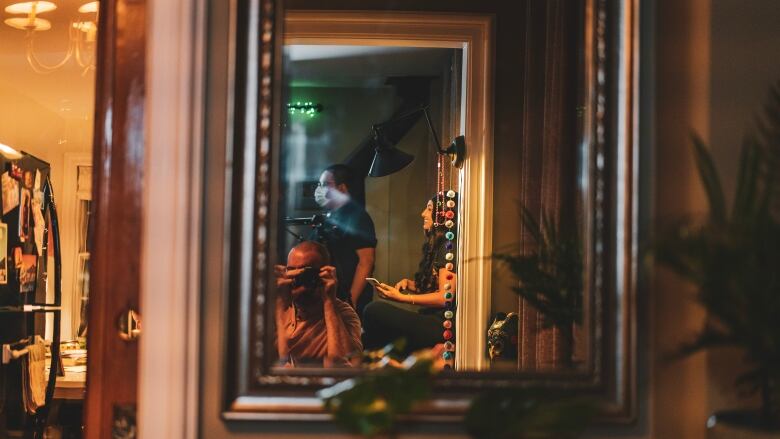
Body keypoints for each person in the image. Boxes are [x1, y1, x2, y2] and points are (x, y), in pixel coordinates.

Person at [362, 193, 457, 353]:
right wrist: (412, 286)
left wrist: (403, 298)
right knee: (370, 331)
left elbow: (445, 298)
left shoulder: (448, 247)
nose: (423, 214)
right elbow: (438, 288)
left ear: (441, 216)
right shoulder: (439, 246)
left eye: (429, 209)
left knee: (373, 310)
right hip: (431, 319)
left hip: (441, 324)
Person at [274, 241, 362, 367]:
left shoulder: (342, 313)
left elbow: (346, 369)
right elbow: (269, 366)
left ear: (324, 273)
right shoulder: (278, 307)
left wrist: (329, 301)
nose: (299, 280)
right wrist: (278, 305)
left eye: (307, 273)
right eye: (292, 271)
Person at [312, 164, 376, 318]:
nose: (320, 189)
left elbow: (366, 261)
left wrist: (350, 301)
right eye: (319, 185)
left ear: (342, 188)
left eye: (325, 184)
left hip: (346, 299)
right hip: (328, 297)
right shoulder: (330, 215)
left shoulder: (357, 217)